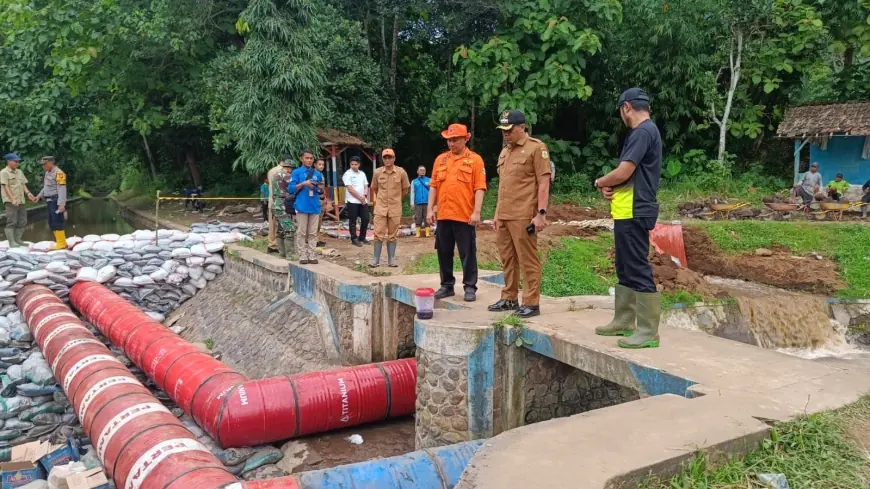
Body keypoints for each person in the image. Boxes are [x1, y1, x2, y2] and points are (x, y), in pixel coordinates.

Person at [593, 88, 663, 349]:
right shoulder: (644, 132)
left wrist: (600, 181)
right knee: (624, 266)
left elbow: (624, 170)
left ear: (626, 107)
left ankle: (647, 331)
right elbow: (628, 176)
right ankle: (623, 321)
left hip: (636, 209)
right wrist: (612, 187)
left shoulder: (643, 132)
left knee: (637, 267)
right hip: (626, 209)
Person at [487, 110, 550, 318]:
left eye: (509, 129)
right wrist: (497, 214)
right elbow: (503, 186)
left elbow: (543, 183)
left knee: (527, 259)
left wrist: (541, 213)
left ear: (522, 127)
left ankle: (531, 302)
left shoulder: (536, 148)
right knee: (507, 258)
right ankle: (509, 298)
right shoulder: (505, 152)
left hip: (524, 214)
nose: (506, 133)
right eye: (503, 130)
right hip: (504, 214)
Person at [428, 123, 487, 302]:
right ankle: (446, 285)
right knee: (443, 251)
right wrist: (430, 209)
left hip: (464, 216)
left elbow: (480, 187)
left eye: (455, 140)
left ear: (465, 139)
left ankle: (470, 287)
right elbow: (434, 186)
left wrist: (476, 212)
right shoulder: (441, 160)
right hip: (444, 215)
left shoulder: (475, 160)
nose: (451, 143)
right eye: (449, 140)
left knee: (467, 252)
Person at [370, 148, 410, 268]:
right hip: (381, 208)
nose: (387, 160)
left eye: (390, 157)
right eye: (385, 157)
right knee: (378, 233)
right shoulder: (377, 172)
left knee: (393, 234)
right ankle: (375, 260)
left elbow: (405, 189)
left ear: (394, 158)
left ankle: (391, 260)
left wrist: (396, 199)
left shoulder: (401, 172)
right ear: (382, 159)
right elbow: (375, 188)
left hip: (395, 208)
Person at [290, 150, 325, 265]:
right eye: (307, 158)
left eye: (311, 158)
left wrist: (319, 188)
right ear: (301, 159)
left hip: (314, 206)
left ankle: (312, 254)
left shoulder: (317, 174)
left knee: (313, 233)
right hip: (301, 205)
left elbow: (320, 191)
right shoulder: (296, 172)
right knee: (301, 232)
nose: (309, 160)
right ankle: (302, 255)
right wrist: (303, 184)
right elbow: (290, 189)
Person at [30, 156, 67, 249]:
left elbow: (62, 189)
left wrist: (61, 204)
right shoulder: (47, 173)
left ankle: (62, 243)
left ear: (51, 163)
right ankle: (59, 242)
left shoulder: (59, 173)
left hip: (56, 201)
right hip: (49, 201)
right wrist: (39, 196)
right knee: (51, 222)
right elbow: (46, 187)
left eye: (44, 164)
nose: (43, 166)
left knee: (57, 221)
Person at [1, 154, 35, 248]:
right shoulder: (4, 172)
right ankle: (12, 242)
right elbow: (6, 186)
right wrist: (12, 199)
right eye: (15, 161)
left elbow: (23, 184)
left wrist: (28, 193)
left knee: (23, 220)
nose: (17, 163)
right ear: (9, 161)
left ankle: (18, 239)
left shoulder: (19, 172)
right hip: (10, 201)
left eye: (18, 161)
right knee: (12, 221)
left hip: (21, 200)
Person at [342, 156, 370, 247]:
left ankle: (362, 237)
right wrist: (360, 197)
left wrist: (364, 195)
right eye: (352, 164)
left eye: (355, 164)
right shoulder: (347, 174)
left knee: (365, 218)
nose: (354, 166)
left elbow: (366, 185)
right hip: (352, 201)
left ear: (359, 164)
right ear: (350, 164)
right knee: (353, 220)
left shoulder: (362, 174)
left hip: (363, 200)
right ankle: (354, 238)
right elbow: (350, 189)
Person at [267, 154, 291, 254]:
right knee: (282, 224)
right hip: (281, 201)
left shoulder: (271, 171)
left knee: (272, 224)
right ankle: (276, 245)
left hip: (272, 201)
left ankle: (272, 244)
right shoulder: (284, 172)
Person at [271, 158, 295, 259]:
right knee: (289, 229)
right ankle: (290, 255)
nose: (291, 170)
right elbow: (294, 185)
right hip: (283, 204)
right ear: (289, 168)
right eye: (291, 168)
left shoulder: (275, 175)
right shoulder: (286, 175)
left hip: (276, 203)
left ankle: (282, 254)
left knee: (280, 230)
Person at [411, 166, 431, 238]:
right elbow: (412, 193)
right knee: (418, 217)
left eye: (424, 170)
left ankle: (427, 232)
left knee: (427, 217)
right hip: (418, 202)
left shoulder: (429, 180)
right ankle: (417, 233)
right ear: (417, 171)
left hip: (427, 202)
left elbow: (432, 192)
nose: (422, 171)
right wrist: (412, 203)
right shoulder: (414, 181)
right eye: (421, 170)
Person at [315, 158, 328, 247]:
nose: (321, 166)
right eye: (319, 164)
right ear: (315, 165)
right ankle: (313, 240)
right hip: (316, 200)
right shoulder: (313, 174)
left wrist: (325, 198)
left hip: (322, 199)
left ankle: (317, 238)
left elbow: (323, 188)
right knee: (315, 221)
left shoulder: (321, 174)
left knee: (319, 221)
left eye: (323, 165)